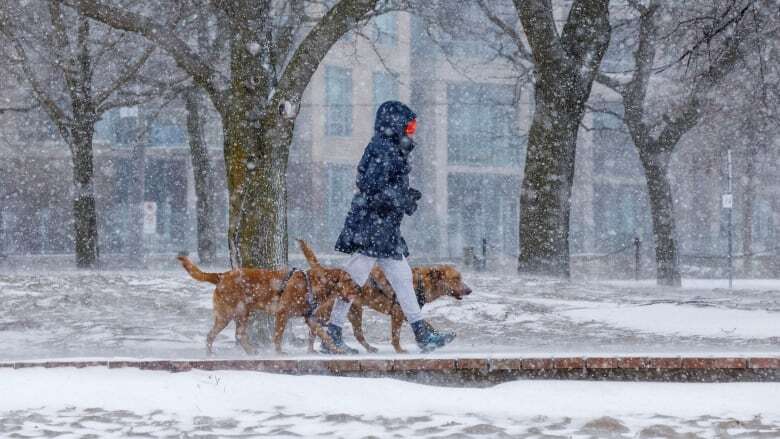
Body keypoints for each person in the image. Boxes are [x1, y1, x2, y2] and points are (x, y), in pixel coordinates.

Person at [324, 100, 455, 354]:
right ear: (395, 124)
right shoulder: (383, 149)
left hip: (384, 228)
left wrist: (403, 197)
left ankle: (421, 332)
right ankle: (332, 334)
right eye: (409, 125)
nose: (412, 130)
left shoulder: (390, 148)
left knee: (403, 279)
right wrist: (399, 198)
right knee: (352, 281)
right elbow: (371, 187)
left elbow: (380, 186)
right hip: (372, 227)